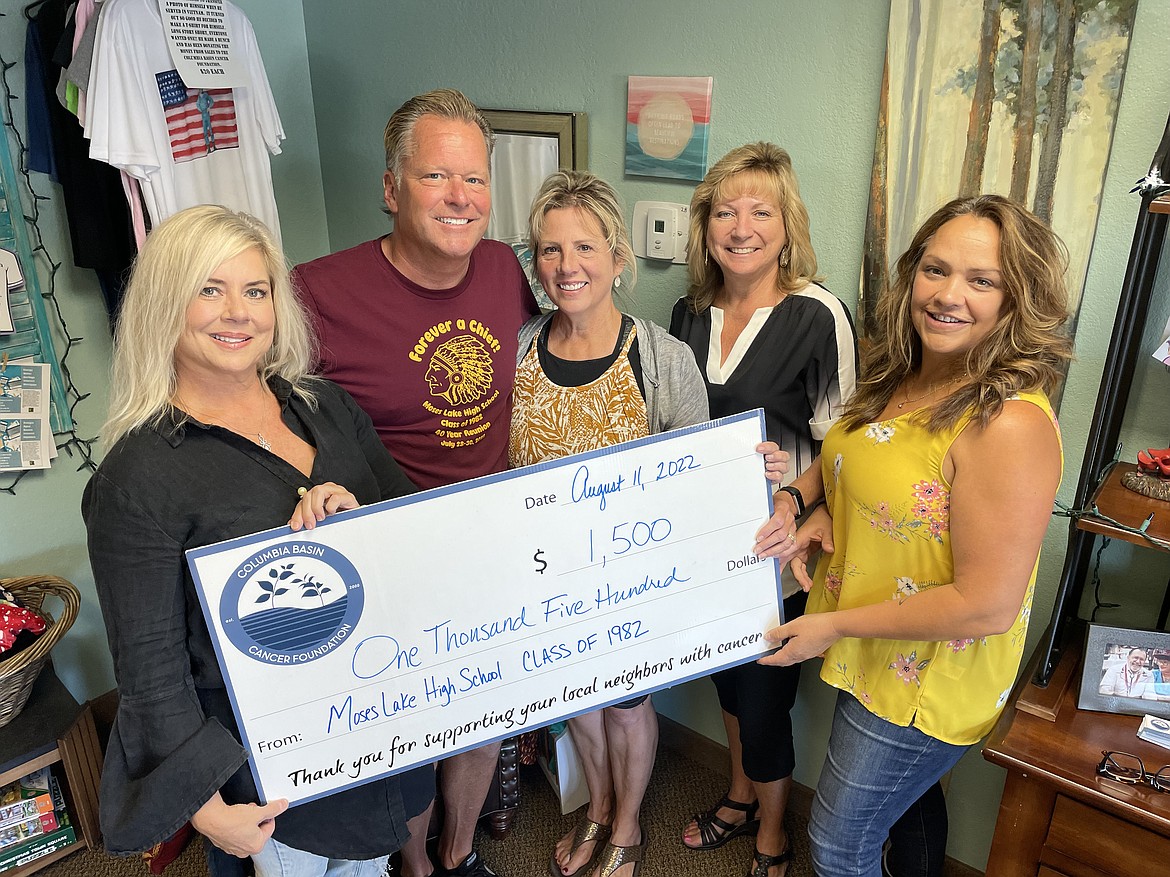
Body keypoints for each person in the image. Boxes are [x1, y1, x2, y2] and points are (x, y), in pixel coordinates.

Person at [82, 205, 434, 876]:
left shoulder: (325, 405)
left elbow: (413, 525)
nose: (236, 312)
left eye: (255, 290)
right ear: (165, 305)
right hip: (269, 772)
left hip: (378, 718)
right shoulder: (137, 476)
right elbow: (151, 668)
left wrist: (358, 517)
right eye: (209, 289)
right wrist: (205, 805)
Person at [755, 194, 1070, 877]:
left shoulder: (1007, 422)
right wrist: (804, 500)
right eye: (935, 269)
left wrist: (833, 626)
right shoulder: (907, 366)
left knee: (840, 843)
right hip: (876, 640)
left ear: (1017, 299)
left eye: (981, 280)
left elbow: (988, 603)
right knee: (906, 806)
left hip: (925, 670)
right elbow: (860, 459)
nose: (949, 294)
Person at [292, 89, 540, 877]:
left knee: (480, 717)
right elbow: (270, 418)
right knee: (404, 730)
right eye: (436, 176)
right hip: (385, 548)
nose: (460, 198)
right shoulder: (316, 292)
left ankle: (459, 852)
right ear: (392, 187)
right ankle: (413, 864)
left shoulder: (504, 268)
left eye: (474, 179)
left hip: (490, 538)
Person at [669, 142, 857, 877]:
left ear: (788, 224)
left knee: (768, 696)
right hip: (707, 550)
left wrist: (793, 491)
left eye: (761, 210)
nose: (741, 226)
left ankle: (774, 829)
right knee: (728, 682)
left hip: (779, 554)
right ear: (705, 225)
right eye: (725, 210)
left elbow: (845, 445)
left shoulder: (819, 315)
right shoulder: (686, 315)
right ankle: (740, 793)